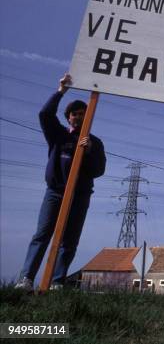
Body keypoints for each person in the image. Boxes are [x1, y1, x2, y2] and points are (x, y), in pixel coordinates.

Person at [15, 74, 106, 291]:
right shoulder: (58, 135)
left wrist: (90, 151)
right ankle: (26, 279)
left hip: (80, 195)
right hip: (55, 192)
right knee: (42, 234)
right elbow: (45, 114)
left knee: (69, 241)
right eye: (74, 114)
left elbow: (99, 170)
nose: (78, 117)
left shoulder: (95, 142)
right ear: (68, 117)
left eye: (82, 114)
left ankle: (57, 282)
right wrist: (61, 91)